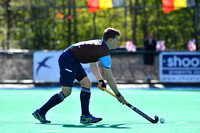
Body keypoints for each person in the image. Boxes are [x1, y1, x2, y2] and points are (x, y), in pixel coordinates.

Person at [32, 27, 127, 124]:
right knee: (66, 91)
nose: (118, 42)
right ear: (110, 40)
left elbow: (93, 64)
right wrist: (118, 95)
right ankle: (41, 112)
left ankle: (85, 116)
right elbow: (110, 78)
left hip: (73, 59)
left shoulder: (100, 46)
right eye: (117, 40)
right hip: (68, 59)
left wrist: (100, 80)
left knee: (87, 83)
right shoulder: (104, 52)